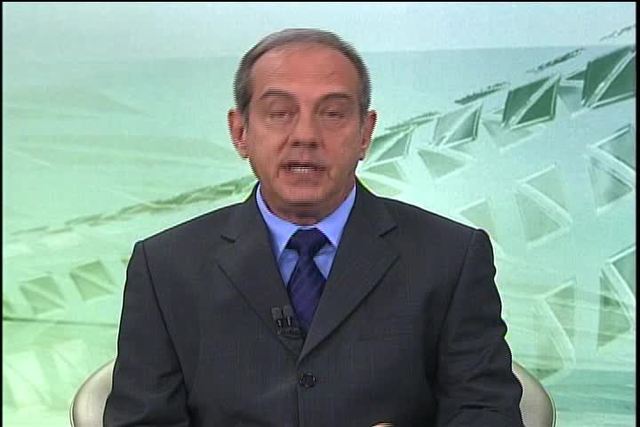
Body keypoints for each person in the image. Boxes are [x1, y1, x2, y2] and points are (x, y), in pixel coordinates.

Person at [104, 28, 524, 426]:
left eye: (333, 114)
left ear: (365, 134)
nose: (305, 135)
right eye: (279, 113)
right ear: (240, 132)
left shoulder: (450, 257)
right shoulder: (165, 267)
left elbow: (486, 412)